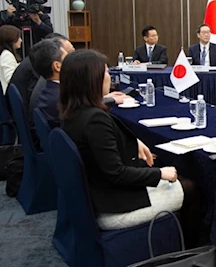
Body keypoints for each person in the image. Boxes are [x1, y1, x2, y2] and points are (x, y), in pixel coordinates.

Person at [59, 49, 182, 227]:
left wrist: (133, 143)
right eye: (106, 72)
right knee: (190, 186)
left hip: (97, 195)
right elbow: (117, 174)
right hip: (114, 206)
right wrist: (160, 173)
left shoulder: (72, 111)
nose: (110, 76)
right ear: (93, 80)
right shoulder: (95, 120)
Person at [0, 25, 22, 94]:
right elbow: (10, 78)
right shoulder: (6, 55)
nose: (21, 40)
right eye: (18, 37)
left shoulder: (7, 54)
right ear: (11, 39)